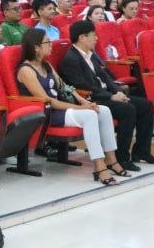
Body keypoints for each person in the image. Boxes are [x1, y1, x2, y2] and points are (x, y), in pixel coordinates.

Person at [16, 29, 127, 185]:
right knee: (89, 115)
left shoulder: (46, 65)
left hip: (61, 109)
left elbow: (65, 87)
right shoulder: (26, 70)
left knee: (104, 110)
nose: (51, 45)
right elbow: (48, 101)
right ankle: (99, 166)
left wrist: (83, 101)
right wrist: (82, 109)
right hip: (47, 112)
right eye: (47, 42)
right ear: (36, 47)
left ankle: (111, 159)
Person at [60, 20, 154, 169]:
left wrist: (117, 91)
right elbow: (83, 86)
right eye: (93, 35)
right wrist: (110, 97)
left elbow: (106, 77)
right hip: (91, 99)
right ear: (82, 37)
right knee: (127, 109)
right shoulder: (71, 59)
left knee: (146, 105)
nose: (96, 38)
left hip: (106, 94)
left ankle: (142, 151)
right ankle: (121, 157)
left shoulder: (91, 54)